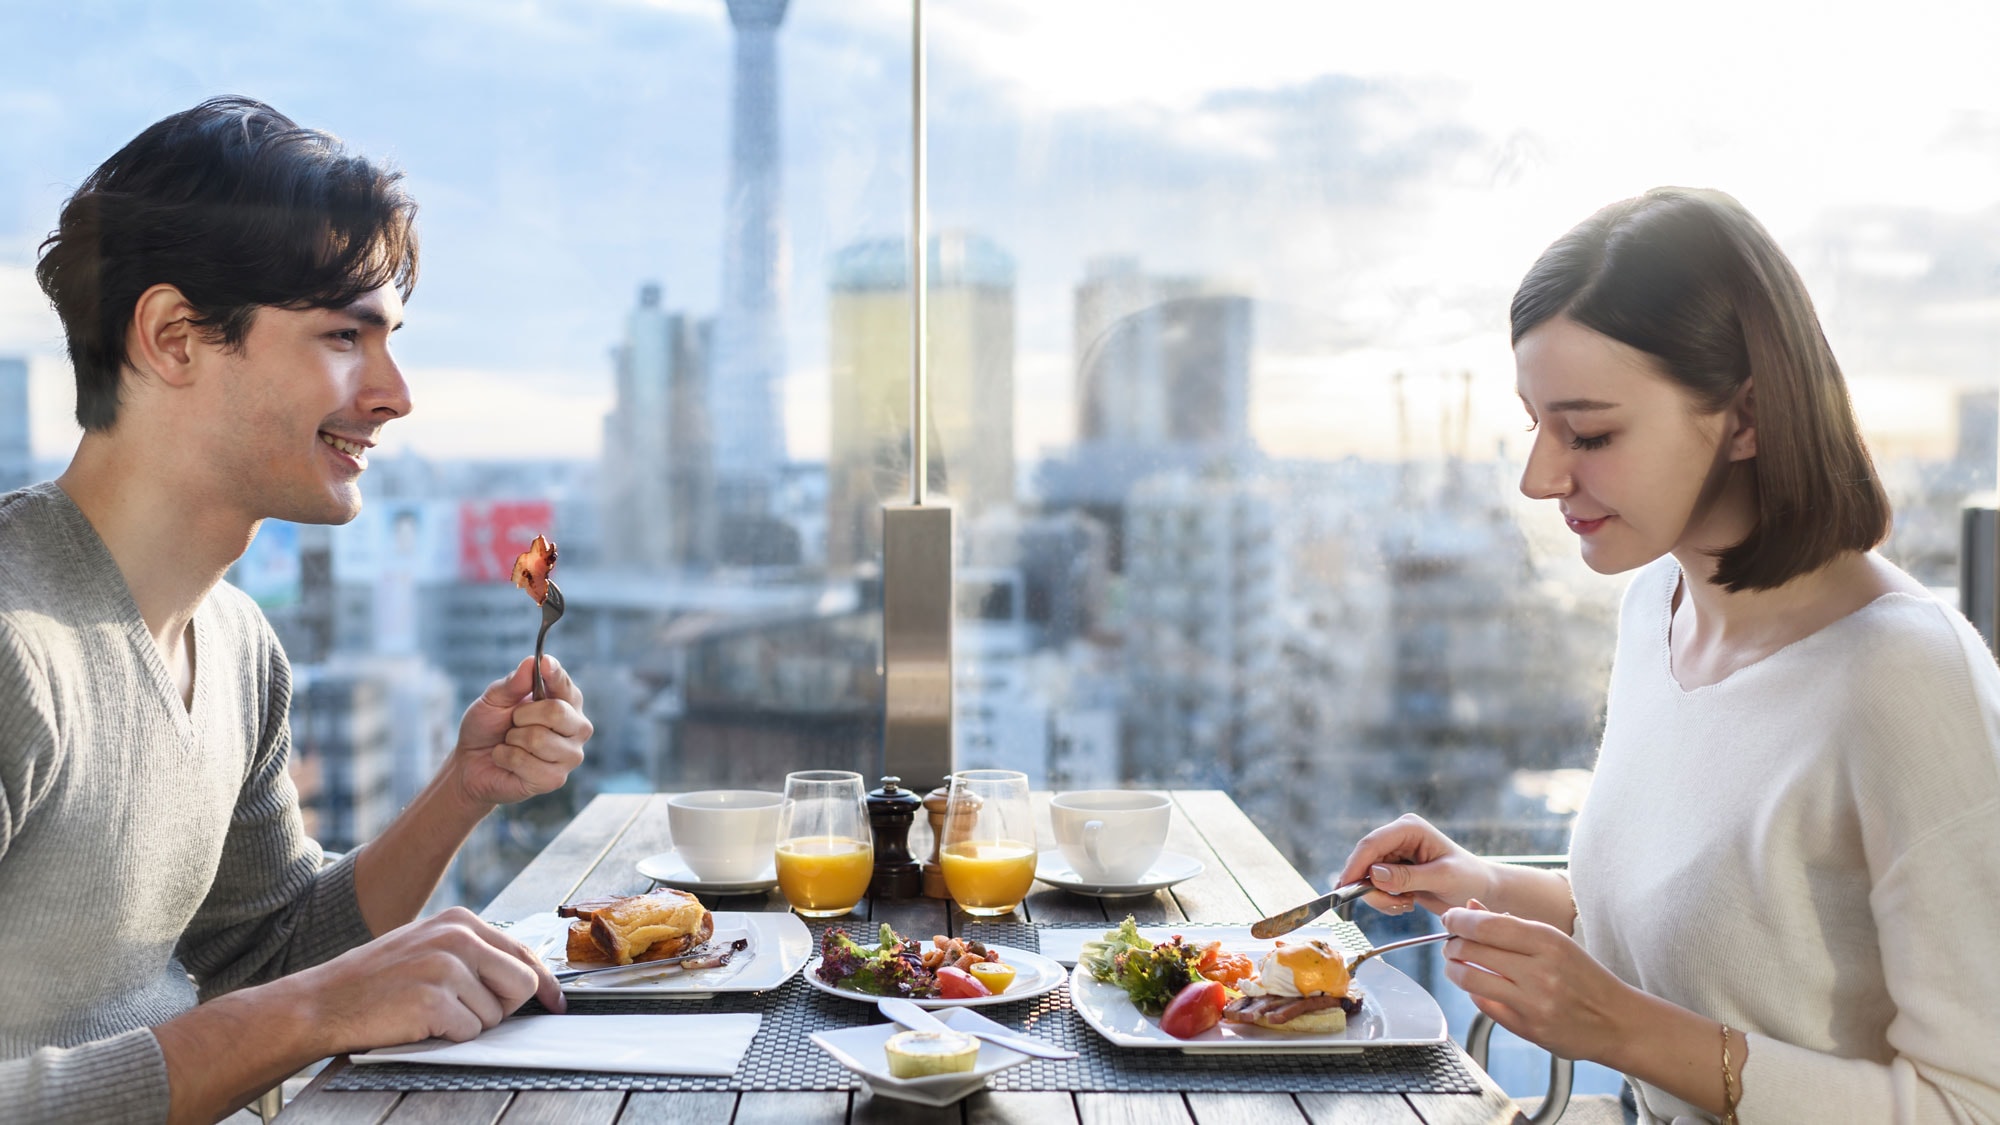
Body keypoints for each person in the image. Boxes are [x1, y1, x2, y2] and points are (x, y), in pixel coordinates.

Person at [1338, 188, 2000, 1123]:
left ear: (1747, 417)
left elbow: (1973, 1105)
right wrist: (1487, 886)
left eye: (1591, 433)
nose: (1539, 478)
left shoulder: (1904, 680)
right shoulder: (1661, 605)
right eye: (1535, 424)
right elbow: (1710, 938)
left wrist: (1621, 1033)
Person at [0, 97, 594, 1124]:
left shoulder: (235, 647)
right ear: (174, 338)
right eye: (342, 337)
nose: (395, 393)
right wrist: (308, 1010)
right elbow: (290, 998)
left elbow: (264, 949)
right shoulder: (16, 651)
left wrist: (464, 787)